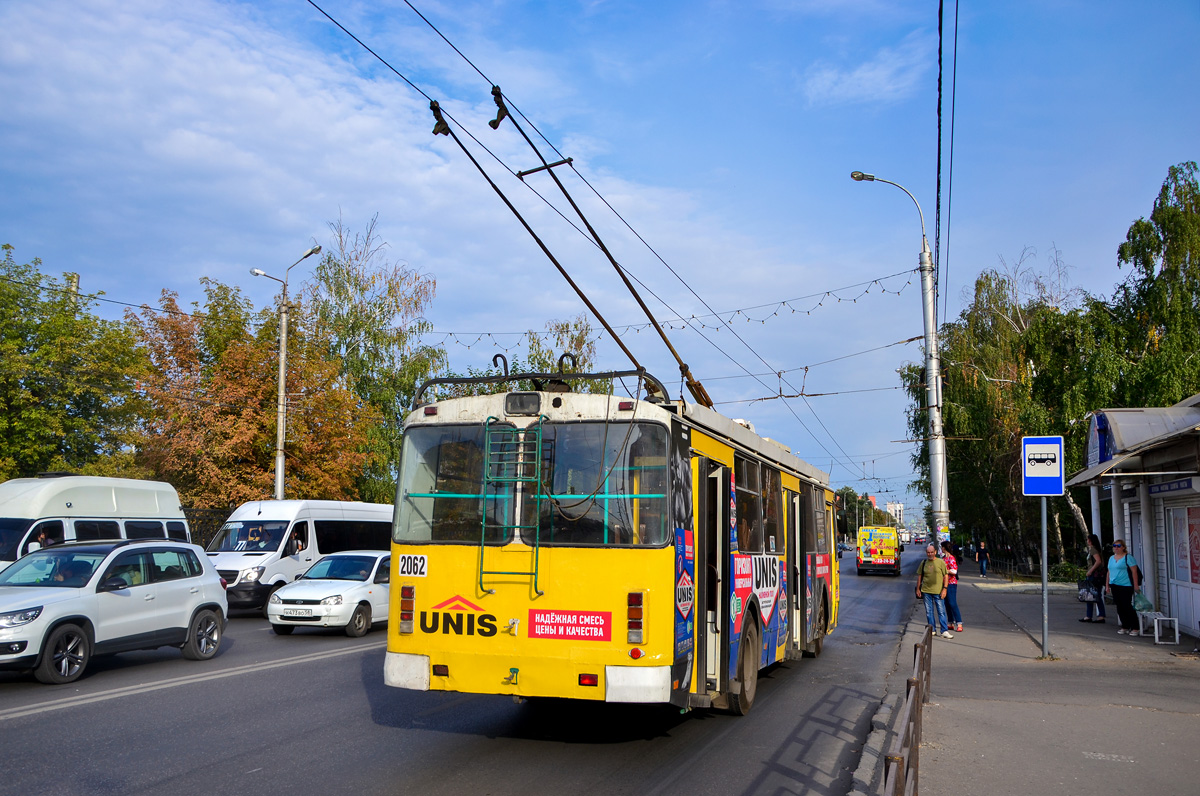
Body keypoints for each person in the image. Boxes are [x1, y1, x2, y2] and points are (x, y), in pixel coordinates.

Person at [1106, 539, 1142, 636]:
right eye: (1114, 546)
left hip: (1126, 585)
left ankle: (1135, 627)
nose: (1116, 548)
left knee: (1127, 605)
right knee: (1119, 606)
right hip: (1114, 584)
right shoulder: (1111, 558)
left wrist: (1135, 585)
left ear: (1123, 547)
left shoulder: (1128, 557)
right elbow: (1109, 572)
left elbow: (1134, 571)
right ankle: (1125, 625)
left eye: (1118, 546)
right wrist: (1107, 585)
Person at [917, 544, 953, 639]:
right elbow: (920, 576)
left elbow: (946, 576)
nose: (930, 554)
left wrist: (945, 589)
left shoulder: (940, 562)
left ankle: (944, 631)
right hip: (926, 591)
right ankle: (932, 629)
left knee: (941, 611)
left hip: (938, 591)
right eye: (928, 552)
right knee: (929, 612)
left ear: (935, 552)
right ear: (926, 553)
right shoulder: (924, 563)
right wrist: (918, 589)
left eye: (932, 552)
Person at [1080, 533, 1107, 623]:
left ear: (1091, 541)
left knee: (1094, 594)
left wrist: (1090, 571)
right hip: (1094, 575)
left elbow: (1098, 561)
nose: (1087, 541)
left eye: (1088, 540)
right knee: (1091, 595)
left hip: (1094, 575)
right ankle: (1090, 615)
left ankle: (1099, 615)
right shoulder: (1094, 549)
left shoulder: (1093, 549)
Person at [941, 540, 963, 632]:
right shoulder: (943, 558)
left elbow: (954, 571)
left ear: (944, 548)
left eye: (942, 547)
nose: (941, 549)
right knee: (947, 603)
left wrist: (946, 571)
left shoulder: (951, 558)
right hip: (944, 583)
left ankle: (959, 623)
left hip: (951, 583)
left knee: (952, 603)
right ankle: (950, 622)